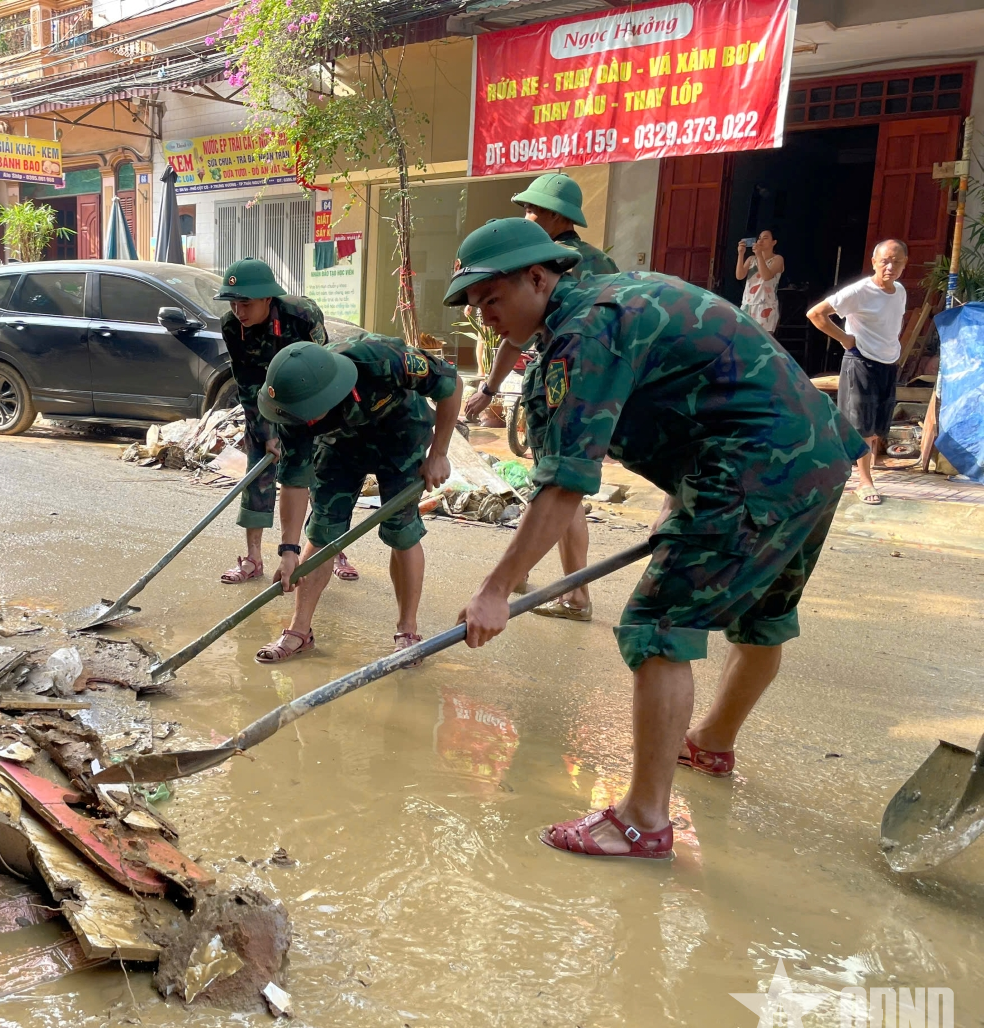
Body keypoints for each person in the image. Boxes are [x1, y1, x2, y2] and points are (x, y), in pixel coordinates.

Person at [447, 218, 864, 860]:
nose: (486, 318)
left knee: (657, 625)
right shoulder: (616, 297)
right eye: (476, 306)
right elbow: (709, 387)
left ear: (537, 278)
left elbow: (564, 485)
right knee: (763, 615)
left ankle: (640, 821)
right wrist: (679, 499)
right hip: (815, 456)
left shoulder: (583, 334)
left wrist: (496, 589)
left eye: (491, 299)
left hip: (751, 470)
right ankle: (711, 744)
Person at [463, 173, 618, 622]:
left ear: (555, 216)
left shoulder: (539, 267)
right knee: (559, 484)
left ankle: (574, 593)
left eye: (532, 210)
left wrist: (489, 388)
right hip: (597, 382)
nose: (527, 217)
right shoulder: (600, 262)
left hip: (567, 378)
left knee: (560, 483)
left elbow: (515, 334)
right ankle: (537, 573)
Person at [253, 333, 461, 663]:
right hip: (339, 446)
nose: (301, 422)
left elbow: (451, 385)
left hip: (401, 436)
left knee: (401, 531)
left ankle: (407, 631)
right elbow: (294, 483)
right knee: (323, 530)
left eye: (306, 414)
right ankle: (299, 631)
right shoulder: (293, 409)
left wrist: (439, 453)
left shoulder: (382, 359)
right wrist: (288, 551)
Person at [214, 258, 359, 585]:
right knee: (258, 472)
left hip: (310, 399)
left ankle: (329, 547)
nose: (238, 311)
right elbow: (246, 383)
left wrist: (316, 417)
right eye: (233, 303)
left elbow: (323, 366)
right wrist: (266, 433)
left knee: (320, 473)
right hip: (266, 402)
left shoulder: (302, 315)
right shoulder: (231, 326)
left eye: (246, 303)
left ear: (268, 298)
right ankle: (253, 558)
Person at [806, 239, 909, 506]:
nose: (890, 267)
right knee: (860, 426)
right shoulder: (859, 291)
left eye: (896, 262)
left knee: (876, 426)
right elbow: (816, 314)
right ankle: (864, 481)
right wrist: (845, 339)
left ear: (904, 264)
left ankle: (845, 469)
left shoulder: (899, 291)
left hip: (888, 362)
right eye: (884, 261)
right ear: (874, 262)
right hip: (861, 360)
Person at [736, 230, 783, 333]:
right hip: (748, 304)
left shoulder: (777, 259)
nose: (761, 241)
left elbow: (766, 276)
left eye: (765, 238)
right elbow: (739, 276)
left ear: (774, 242)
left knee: (763, 339)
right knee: (744, 337)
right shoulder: (751, 259)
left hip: (766, 305)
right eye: (759, 238)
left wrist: (759, 255)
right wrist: (741, 254)